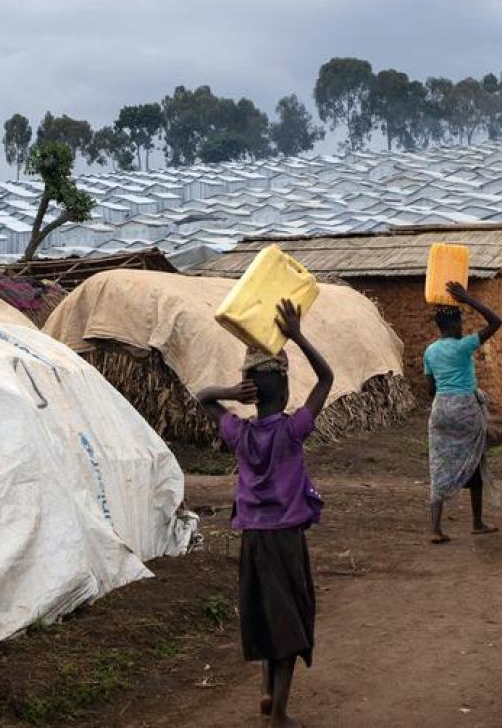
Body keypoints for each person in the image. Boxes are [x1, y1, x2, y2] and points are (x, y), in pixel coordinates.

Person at [197, 299, 334, 728]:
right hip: (285, 540)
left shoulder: (239, 432)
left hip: (252, 540)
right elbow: (327, 377)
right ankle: (278, 714)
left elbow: (202, 399)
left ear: (251, 394)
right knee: (290, 622)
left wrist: (227, 393)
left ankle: (265, 691)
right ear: (286, 390)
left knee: (265, 616)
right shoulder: (293, 431)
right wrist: (295, 334)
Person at [423, 280, 502, 544]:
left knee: (438, 464)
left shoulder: (430, 351)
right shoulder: (464, 346)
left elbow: (430, 388)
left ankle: (435, 528)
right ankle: (477, 522)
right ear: (456, 324)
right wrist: (468, 299)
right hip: (466, 409)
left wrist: (444, 403)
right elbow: (495, 321)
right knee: (476, 462)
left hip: (441, 409)